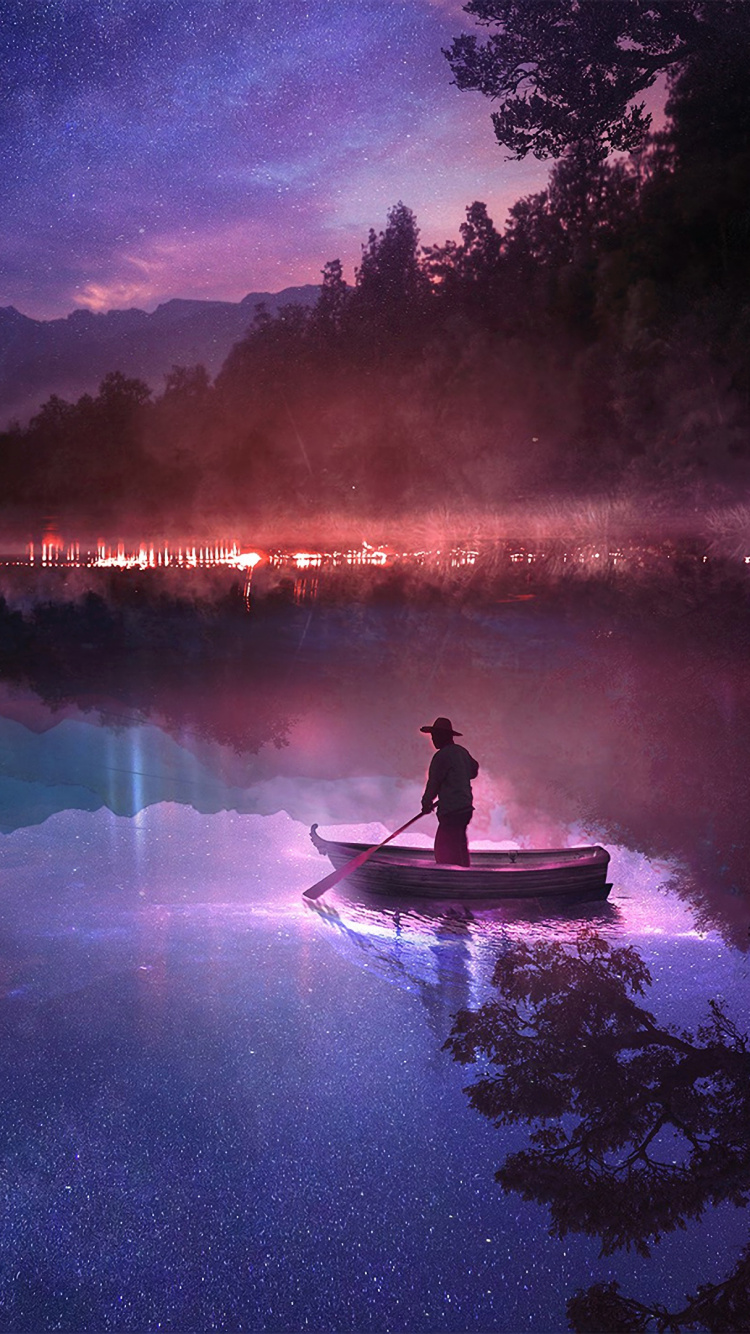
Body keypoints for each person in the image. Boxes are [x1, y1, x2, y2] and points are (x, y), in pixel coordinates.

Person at [420, 717, 479, 866]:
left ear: (443, 736)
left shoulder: (441, 757)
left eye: (435, 736)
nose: (433, 739)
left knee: (443, 850)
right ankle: (464, 873)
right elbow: (474, 770)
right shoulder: (462, 752)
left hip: (451, 810)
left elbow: (434, 783)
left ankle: (452, 878)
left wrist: (426, 802)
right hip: (465, 808)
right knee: (459, 844)